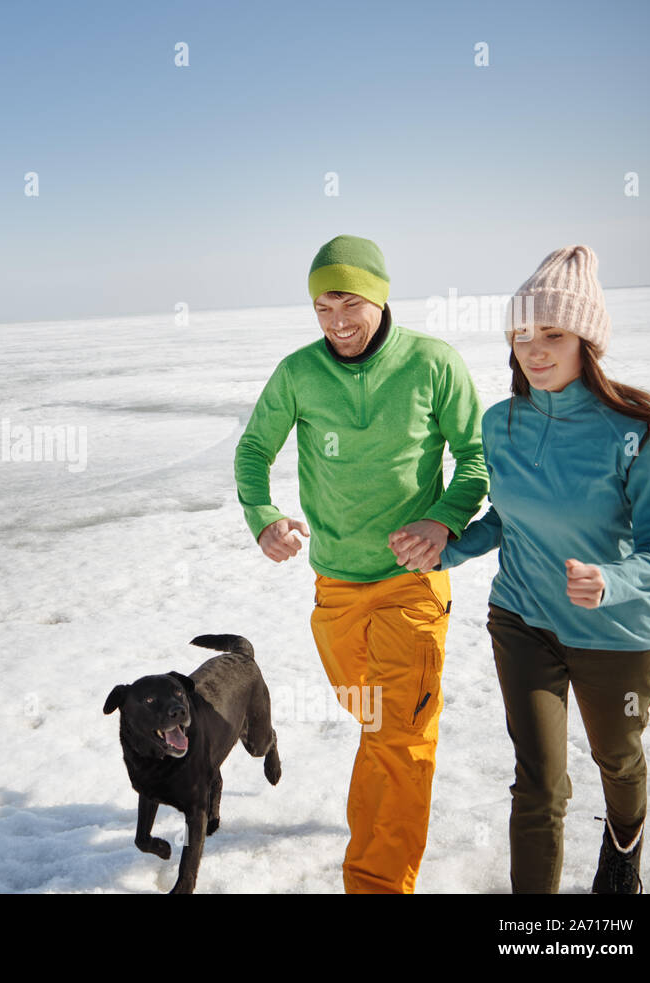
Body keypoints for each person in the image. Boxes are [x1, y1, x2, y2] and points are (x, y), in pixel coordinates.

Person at [416, 245, 650, 893]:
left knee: (617, 759)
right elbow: (507, 520)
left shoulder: (635, 433)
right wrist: (444, 550)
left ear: (586, 339)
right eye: (520, 336)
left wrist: (610, 581)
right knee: (538, 777)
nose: (533, 350)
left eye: (553, 334)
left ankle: (623, 850)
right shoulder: (501, 423)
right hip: (522, 621)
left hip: (616, 635)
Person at [235, 234, 488, 893]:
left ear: (379, 295)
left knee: (398, 738)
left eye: (348, 301)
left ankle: (375, 881)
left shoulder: (433, 363)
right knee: (375, 720)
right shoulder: (298, 372)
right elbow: (253, 451)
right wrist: (264, 518)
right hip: (336, 586)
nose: (336, 320)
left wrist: (443, 519)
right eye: (321, 307)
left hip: (413, 585)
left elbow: (478, 456)